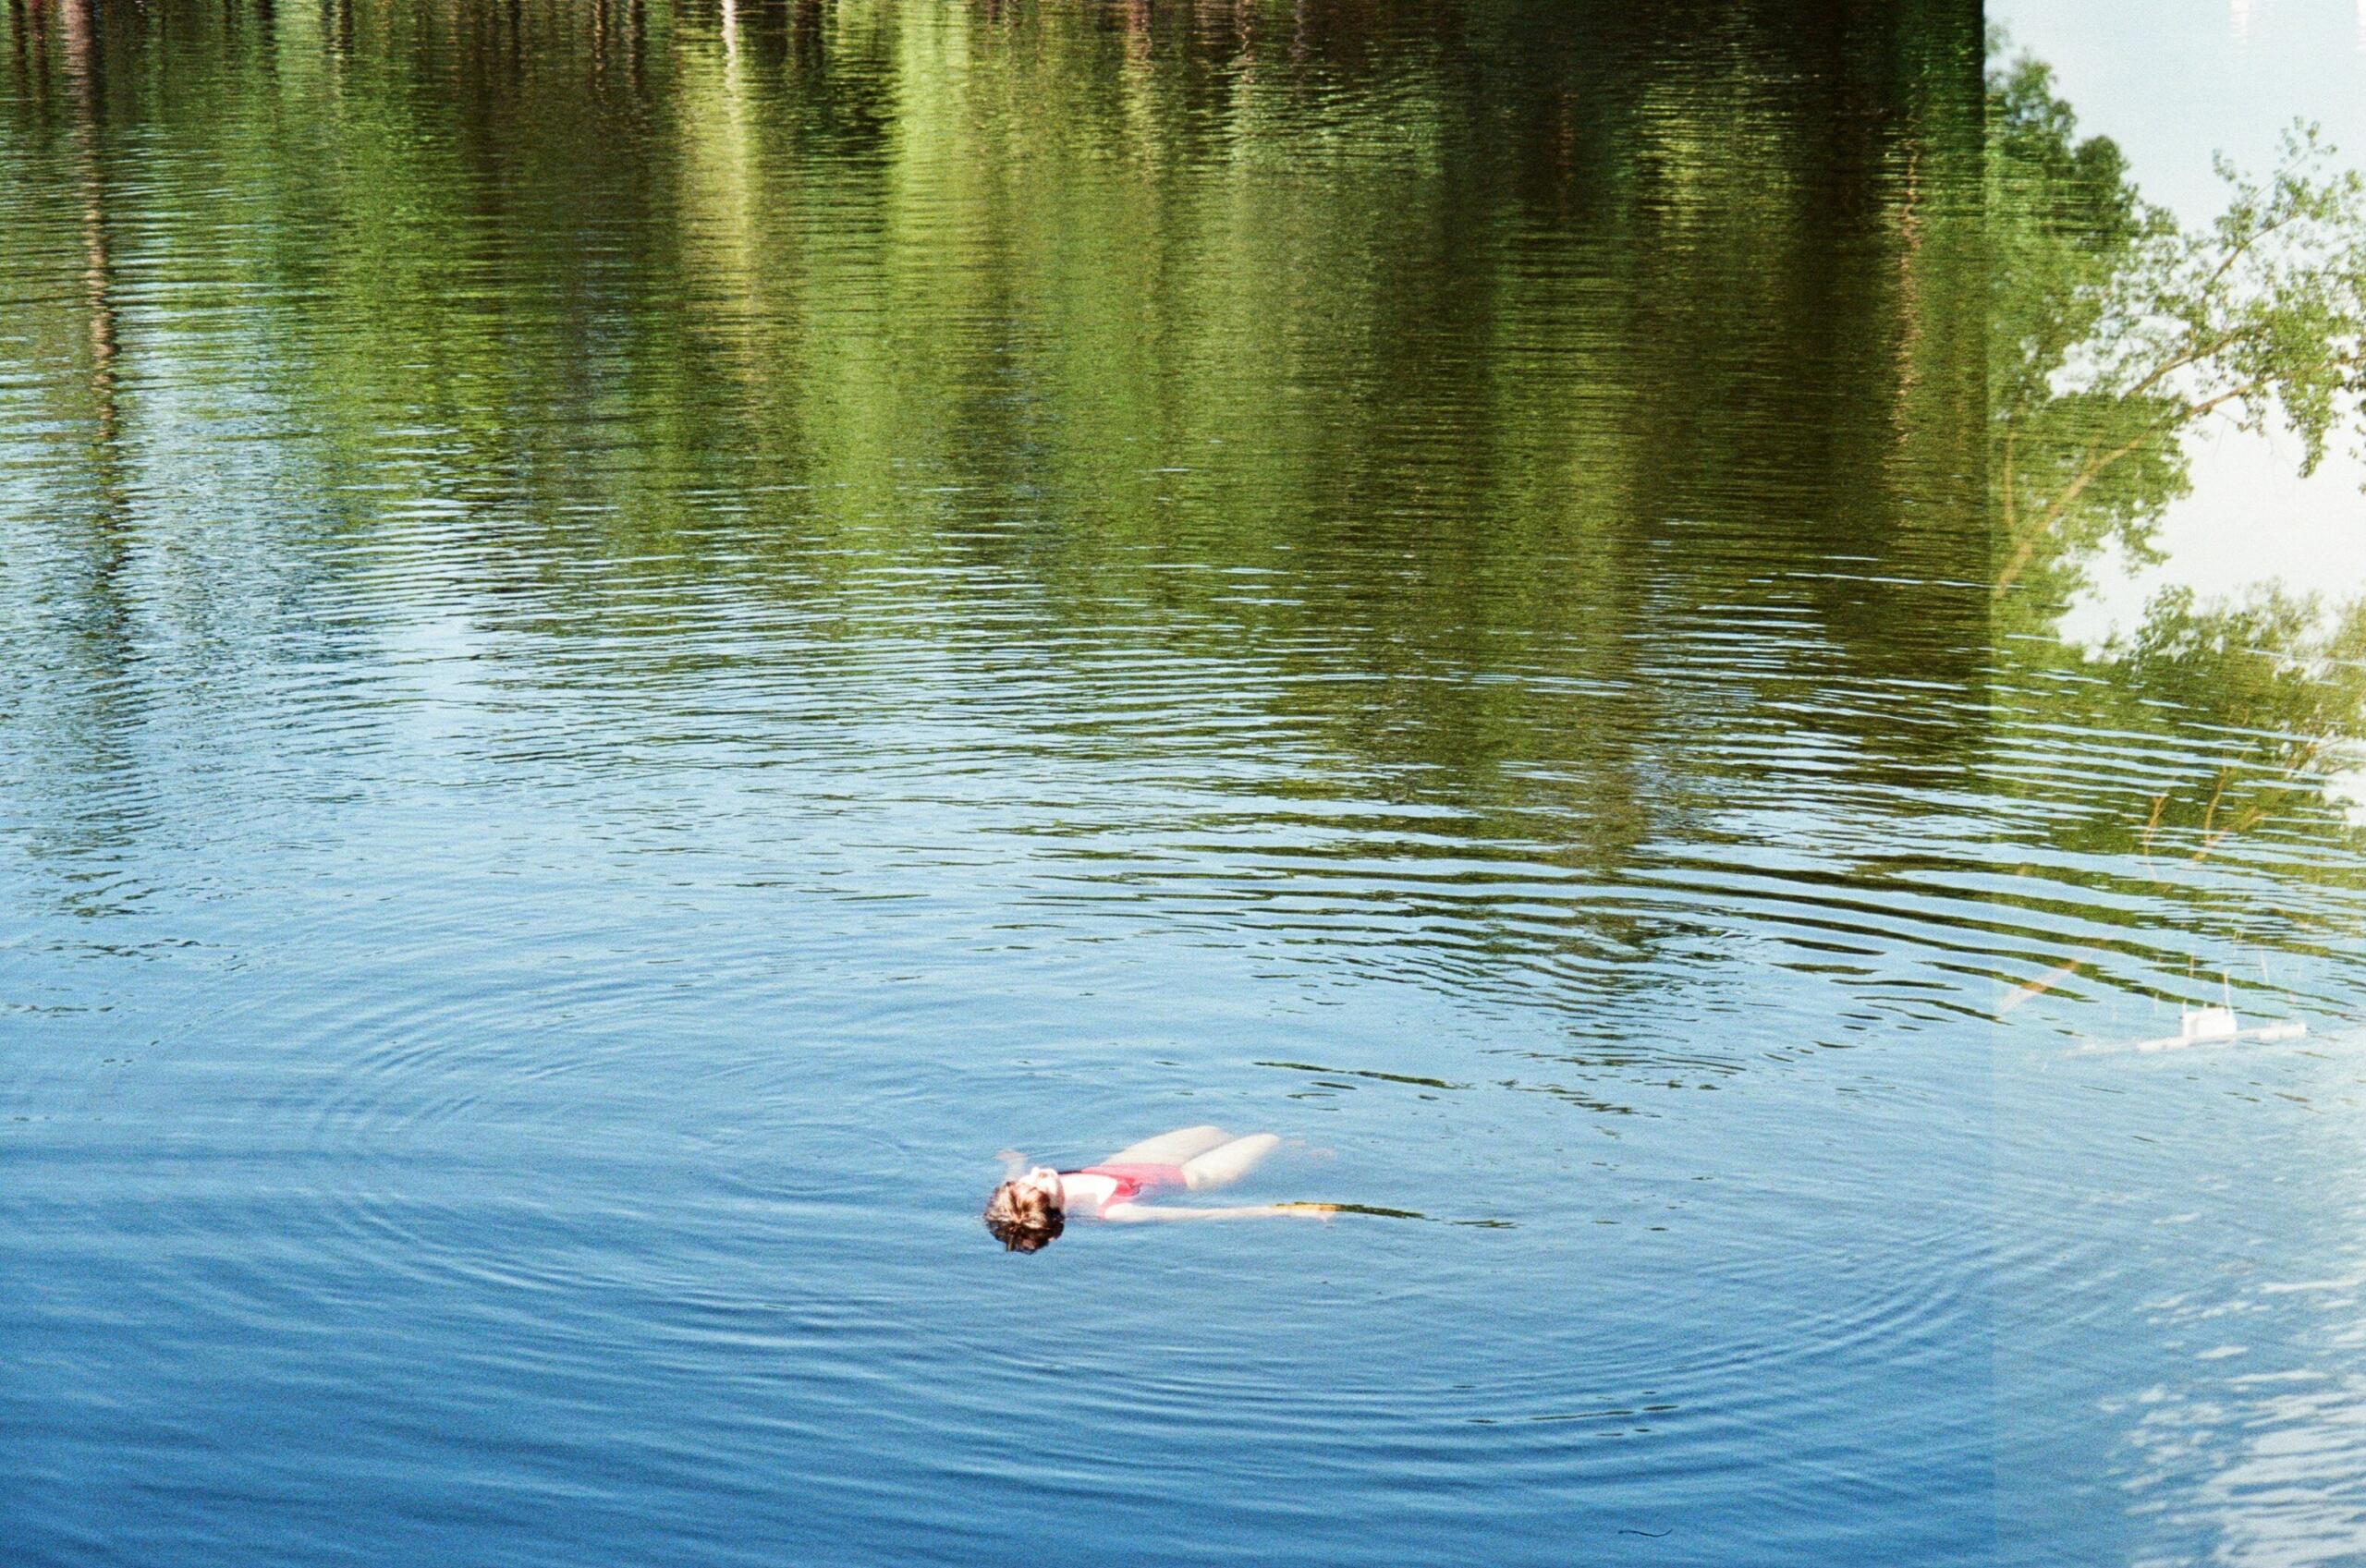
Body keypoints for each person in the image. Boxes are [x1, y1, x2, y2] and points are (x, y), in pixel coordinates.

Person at [982, 1124, 1334, 1252]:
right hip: (1196, 1176)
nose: (1038, 1171)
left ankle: (1298, 1148)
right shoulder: (1116, 1211)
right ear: (1055, 1211)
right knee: (1266, 1138)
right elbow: (1209, 1215)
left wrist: (1013, 1161)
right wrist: (1291, 1210)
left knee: (1214, 1130)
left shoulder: (1024, 1199)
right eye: (1040, 1182)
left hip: (1137, 1162)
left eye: (1026, 1177)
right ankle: (1306, 1151)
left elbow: (1019, 1186)